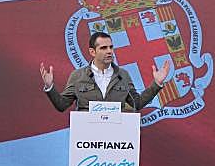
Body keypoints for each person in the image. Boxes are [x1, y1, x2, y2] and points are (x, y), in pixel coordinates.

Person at [40, 31, 169, 112]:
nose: (109, 51)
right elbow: (62, 105)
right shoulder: (78, 76)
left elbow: (137, 103)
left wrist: (156, 84)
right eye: (103, 48)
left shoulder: (123, 75)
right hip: (87, 138)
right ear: (92, 52)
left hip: (115, 138)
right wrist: (49, 87)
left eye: (111, 47)